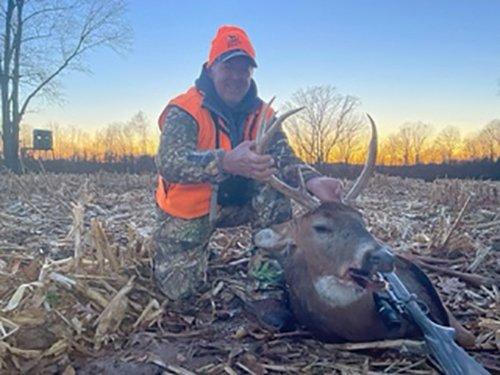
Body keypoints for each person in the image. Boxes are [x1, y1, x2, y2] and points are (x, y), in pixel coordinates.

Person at [153, 25, 342, 316]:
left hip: (243, 203)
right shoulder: (185, 110)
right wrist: (225, 162)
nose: (237, 77)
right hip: (192, 211)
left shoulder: (265, 115)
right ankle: (196, 251)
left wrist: (314, 179)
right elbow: (169, 161)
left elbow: (283, 158)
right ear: (211, 67)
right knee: (180, 294)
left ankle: (265, 288)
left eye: (245, 69)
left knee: (273, 182)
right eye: (229, 67)